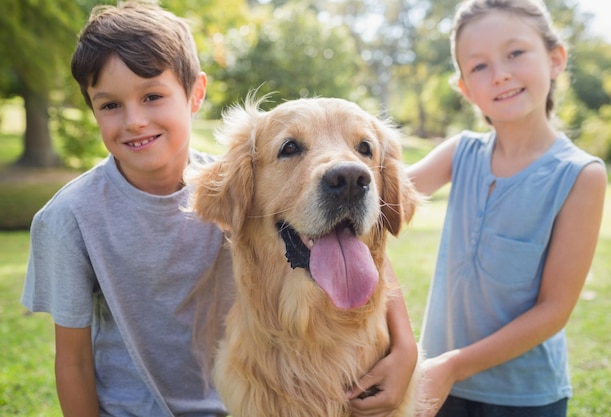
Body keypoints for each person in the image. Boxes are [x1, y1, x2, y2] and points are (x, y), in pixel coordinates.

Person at [21, 1, 417, 416]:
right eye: (110, 105)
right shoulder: (69, 218)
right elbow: (73, 360)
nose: (135, 120)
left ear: (196, 94)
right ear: (91, 108)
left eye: (153, 95)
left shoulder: (236, 180)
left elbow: (361, 246)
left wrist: (405, 348)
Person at [407, 1, 607, 416]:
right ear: (465, 89)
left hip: (526, 397)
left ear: (555, 59)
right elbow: (385, 197)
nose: (499, 73)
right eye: (478, 67)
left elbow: (554, 310)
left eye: (515, 53)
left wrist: (454, 365)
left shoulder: (580, 175)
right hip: (438, 384)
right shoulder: (459, 153)